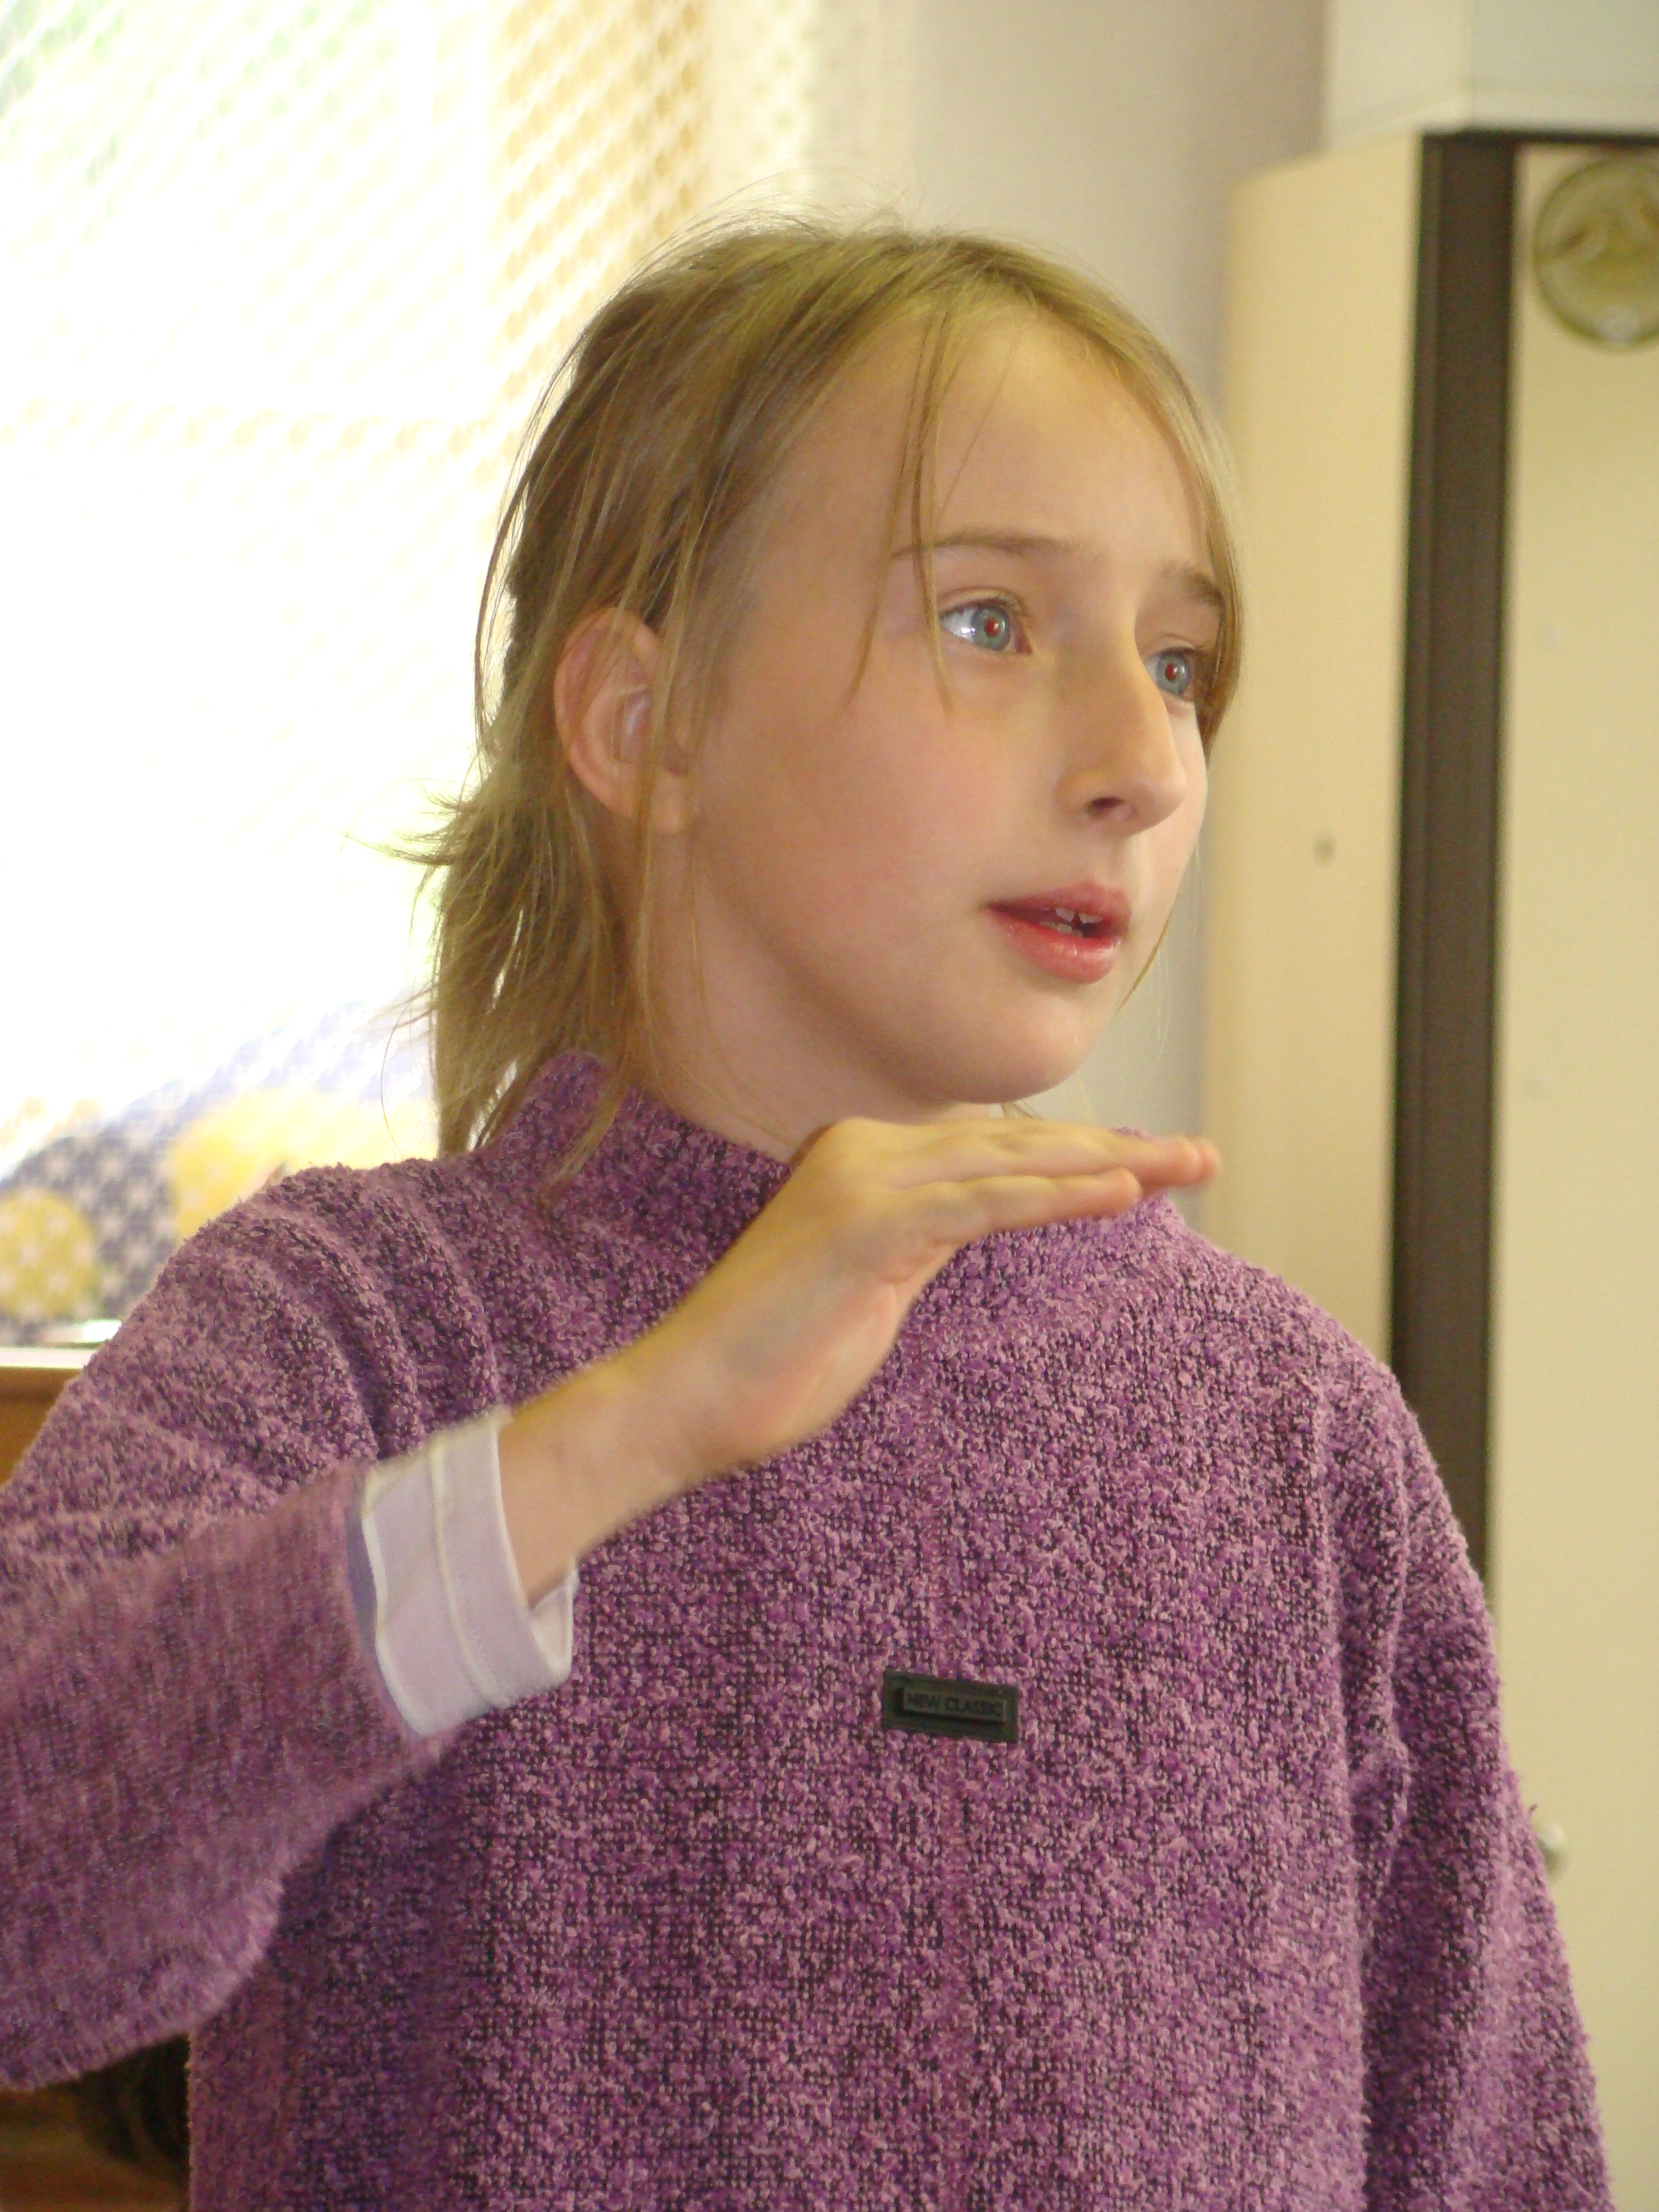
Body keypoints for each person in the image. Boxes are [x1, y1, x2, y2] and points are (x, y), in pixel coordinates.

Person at [0, 219, 1610, 2209]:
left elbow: (1495, 2150)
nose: (1143, 761)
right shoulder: (352, 1324)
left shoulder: (1290, 1426)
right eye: (991, 621)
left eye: (1182, 664)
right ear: (643, 722)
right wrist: (628, 1432)